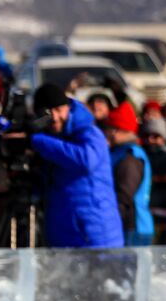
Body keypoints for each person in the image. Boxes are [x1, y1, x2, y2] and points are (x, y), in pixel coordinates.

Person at [29, 82, 124, 249]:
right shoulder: (54, 139)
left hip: (95, 234)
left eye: (59, 110)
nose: (54, 118)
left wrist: (37, 141)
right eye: (48, 113)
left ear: (68, 107)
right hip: (65, 233)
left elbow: (86, 160)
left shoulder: (89, 132)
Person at [103, 102, 154, 247]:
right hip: (128, 225)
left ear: (118, 130)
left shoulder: (130, 158)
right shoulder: (120, 153)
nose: (105, 133)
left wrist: (110, 224)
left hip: (132, 226)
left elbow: (124, 196)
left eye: (108, 128)